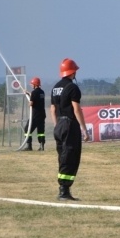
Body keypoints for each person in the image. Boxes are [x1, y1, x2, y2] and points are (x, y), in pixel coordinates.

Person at [50, 58, 89, 201]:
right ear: (73, 72)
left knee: (62, 156)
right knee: (71, 156)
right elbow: (76, 109)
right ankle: (64, 191)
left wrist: (57, 126)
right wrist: (84, 130)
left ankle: (63, 189)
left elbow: (53, 109)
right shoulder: (73, 88)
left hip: (59, 125)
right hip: (69, 124)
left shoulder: (55, 88)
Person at [22, 77, 46, 151]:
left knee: (27, 130)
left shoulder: (34, 92)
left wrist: (29, 102)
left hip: (35, 115)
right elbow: (36, 97)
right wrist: (29, 93)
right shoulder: (42, 92)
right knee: (41, 131)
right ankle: (42, 146)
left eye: (32, 84)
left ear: (35, 84)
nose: (31, 85)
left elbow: (31, 103)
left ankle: (29, 146)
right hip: (42, 115)